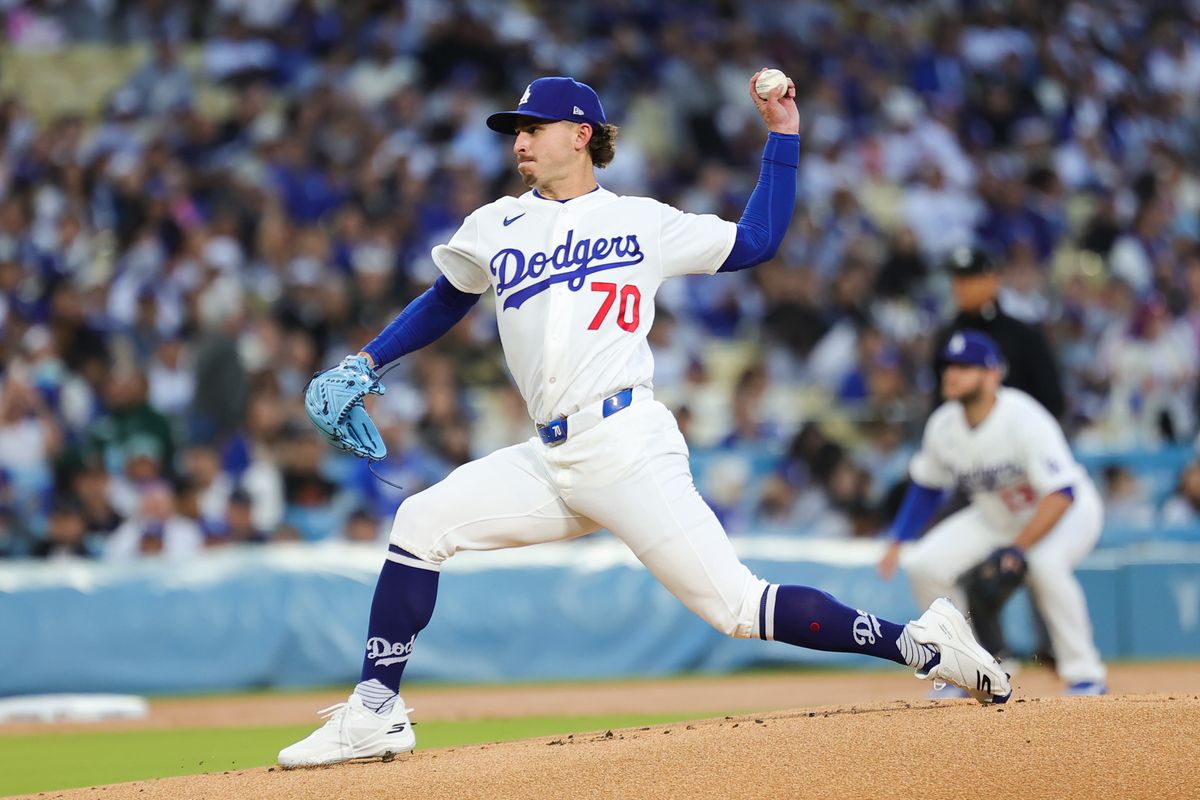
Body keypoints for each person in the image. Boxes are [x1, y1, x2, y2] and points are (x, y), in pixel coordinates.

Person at [279, 73, 1011, 768]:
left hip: (626, 445)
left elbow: (756, 241)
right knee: (420, 523)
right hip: (550, 457)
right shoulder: (496, 223)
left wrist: (782, 134)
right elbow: (448, 296)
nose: (519, 141)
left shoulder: (639, 221)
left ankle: (924, 644)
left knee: (736, 607)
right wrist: (366, 363)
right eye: (515, 130)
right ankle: (375, 708)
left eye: (533, 127)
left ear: (582, 133)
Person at [878, 331, 1107, 696]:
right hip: (996, 515)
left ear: (992, 374)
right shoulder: (943, 425)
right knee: (924, 565)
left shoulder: (1023, 418)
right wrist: (898, 538)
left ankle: (1084, 674)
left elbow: (1061, 493)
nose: (952, 373)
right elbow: (926, 485)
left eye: (965, 366)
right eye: (949, 366)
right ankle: (962, 669)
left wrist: (1019, 548)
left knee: (1045, 564)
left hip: (1065, 514)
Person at [930, 247, 1063, 418]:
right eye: (957, 279)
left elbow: (1052, 400)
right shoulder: (947, 337)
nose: (959, 287)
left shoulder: (1023, 336)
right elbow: (940, 401)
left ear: (992, 281)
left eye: (969, 279)